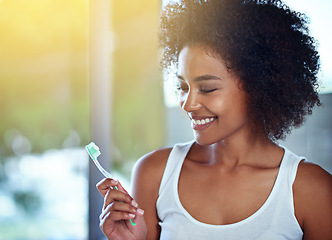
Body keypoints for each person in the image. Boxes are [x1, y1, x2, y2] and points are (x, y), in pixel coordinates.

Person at [96, 0, 332, 239]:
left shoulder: (312, 190)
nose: (188, 104)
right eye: (182, 86)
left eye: (207, 89)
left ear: (259, 86)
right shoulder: (154, 174)